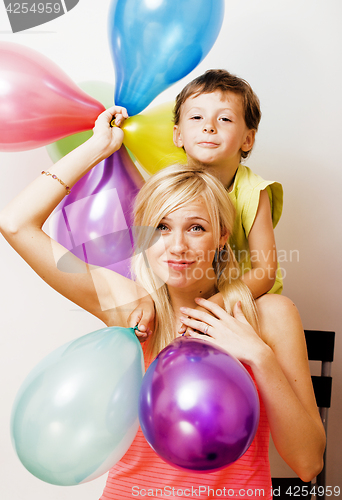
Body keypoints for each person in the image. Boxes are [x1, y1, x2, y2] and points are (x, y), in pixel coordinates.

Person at [0, 106, 325, 499]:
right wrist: (98, 147)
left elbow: (309, 464)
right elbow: (16, 223)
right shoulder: (127, 304)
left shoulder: (270, 316)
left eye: (196, 228)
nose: (177, 247)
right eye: (162, 228)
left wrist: (258, 355)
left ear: (222, 237)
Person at [172, 69, 283, 300]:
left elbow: (264, 272)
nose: (209, 127)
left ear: (247, 139)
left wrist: (217, 303)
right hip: (189, 292)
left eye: (224, 118)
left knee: (277, 305)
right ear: (178, 135)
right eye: (196, 117)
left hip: (243, 296)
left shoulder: (253, 191)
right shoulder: (171, 187)